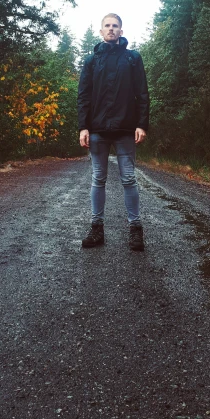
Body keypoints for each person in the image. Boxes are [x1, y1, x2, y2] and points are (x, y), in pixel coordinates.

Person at [77, 13, 150, 251]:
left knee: (128, 178)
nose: (111, 29)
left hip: (125, 129)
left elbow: (142, 93)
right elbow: (84, 97)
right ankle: (97, 229)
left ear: (121, 30)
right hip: (97, 129)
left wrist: (141, 124)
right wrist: (83, 127)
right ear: (101, 31)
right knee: (98, 178)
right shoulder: (91, 61)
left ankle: (135, 231)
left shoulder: (132, 59)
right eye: (107, 26)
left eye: (115, 26)